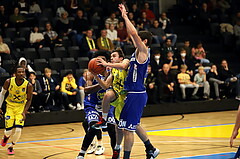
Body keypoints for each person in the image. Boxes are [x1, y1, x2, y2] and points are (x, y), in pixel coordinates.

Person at [92, 48, 159, 159]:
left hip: (130, 98)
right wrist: (96, 76)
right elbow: (105, 86)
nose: (111, 58)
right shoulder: (113, 70)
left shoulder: (126, 62)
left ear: (121, 58)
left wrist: (106, 63)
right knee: (119, 124)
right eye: (111, 57)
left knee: (133, 126)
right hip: (119, 98)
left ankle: (149, 147)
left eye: (114, 56)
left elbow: (123, 66)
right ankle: (115, 142)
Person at [115, 4, 159, 159]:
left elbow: (133, 33)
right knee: (132, 125)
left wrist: (125, 16)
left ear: (144, 41)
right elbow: (131, 33)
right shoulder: (135, 52)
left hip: (137, 94)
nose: (134, 39)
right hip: (133, 93)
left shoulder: (143, 51)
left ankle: (126, 157)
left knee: (128, 130)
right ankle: (151, 148)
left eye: (139, 38)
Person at [76, 51, 116, 159]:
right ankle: (81, 153)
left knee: (112, 128)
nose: (99, 62)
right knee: (93, 126)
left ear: (106, 62)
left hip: (107, 105)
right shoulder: (91, 73)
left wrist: (105, 84)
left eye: (101, 60)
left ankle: (115, 154)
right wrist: (102, 84)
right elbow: (87, 90)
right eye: (97, 60)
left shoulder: (113, 73)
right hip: (92, 105)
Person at [0, 66, 33, 155]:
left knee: (18, 130)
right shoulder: (8, 82)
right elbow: (2, 94)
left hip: (20, 108)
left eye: (23, 72)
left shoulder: (28, 85)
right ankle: (6, 137)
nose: (21, 74)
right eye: (19, 72)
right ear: (15, 74)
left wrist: (24, 111)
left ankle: (11, 146)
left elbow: (29, 99)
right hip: (10, 107)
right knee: (8, 131)